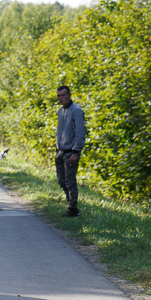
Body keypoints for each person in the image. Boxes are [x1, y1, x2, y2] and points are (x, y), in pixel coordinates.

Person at [55, 85, 86, 217]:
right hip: (60, 151)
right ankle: (70, 204)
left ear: (69, 95)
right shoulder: (60, 110)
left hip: (71, 152)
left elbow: (80, 133)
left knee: (70, 181)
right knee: (61, 181)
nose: (61, 98)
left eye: (63, 95)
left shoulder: (76, 110)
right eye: (58, 96)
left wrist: (76, 151)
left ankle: (73, 208)